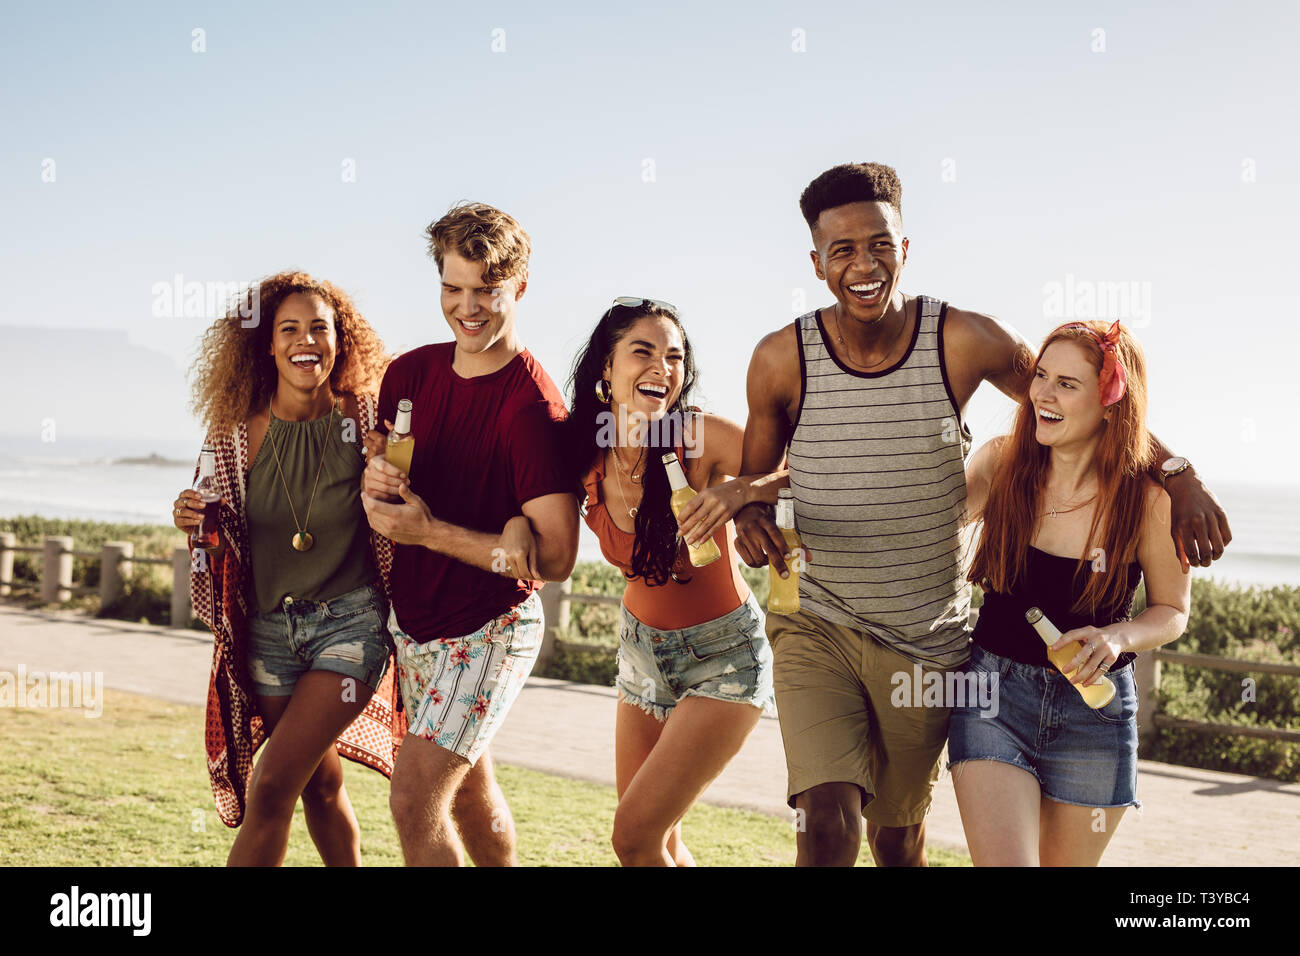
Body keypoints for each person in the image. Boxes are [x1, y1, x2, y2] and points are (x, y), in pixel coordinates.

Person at [734, 162, 1231, 866]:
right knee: (830, 824)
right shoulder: (993, 459)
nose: (863, 264)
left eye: (879, 243)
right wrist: (757, 512)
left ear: (905, 247)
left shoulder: (973, 346)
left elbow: (1167, 600)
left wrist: (1177, 477)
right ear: (816, 264)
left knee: (900, 838)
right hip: (905, 656)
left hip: (1006, 675)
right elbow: (793, 489)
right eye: (841, 250)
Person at [360, 201, 579, 867]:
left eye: (486, 289)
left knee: (413, 798)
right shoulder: (409, 375)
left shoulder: (533, 410)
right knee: (470, 798)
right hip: (417, 623)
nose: (468, 307)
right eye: (452, 289)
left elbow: (557, 558)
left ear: (520, 285)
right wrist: (373, 477)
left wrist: (428, 533)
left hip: (489, 627)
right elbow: (389, 472)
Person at [176, 270, 404, 866]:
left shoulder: (368, 420)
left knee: (270, 787)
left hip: (350, 628)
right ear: (268, 344)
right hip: (269, 635)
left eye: (320, 328)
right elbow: (212, 532)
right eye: (289, 329)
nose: (307, 341)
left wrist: (395, 472)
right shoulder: (235, 433)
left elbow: (408, 494)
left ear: (340, 339)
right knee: (318, 786)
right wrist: (192, 519)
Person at [546, 297, 778, 866]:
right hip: (640, 654)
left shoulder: (695, 437)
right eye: (642, 351)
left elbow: (800, 464)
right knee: (661, 839)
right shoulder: (582, 450)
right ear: (607, 366)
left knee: (633, 836)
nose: (662, 367)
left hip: (724, 657)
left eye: (673, 356)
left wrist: (739, 491)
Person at [950, 319, 1189, 865]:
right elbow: (922, 526)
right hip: (991, 695)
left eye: (1067, 384)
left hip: (1096, 712)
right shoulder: (1000, 463)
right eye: (1041, 376)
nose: (1042, 394)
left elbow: (1172, 610)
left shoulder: (1148, 501)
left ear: (1110, 404)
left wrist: (1117, 636)